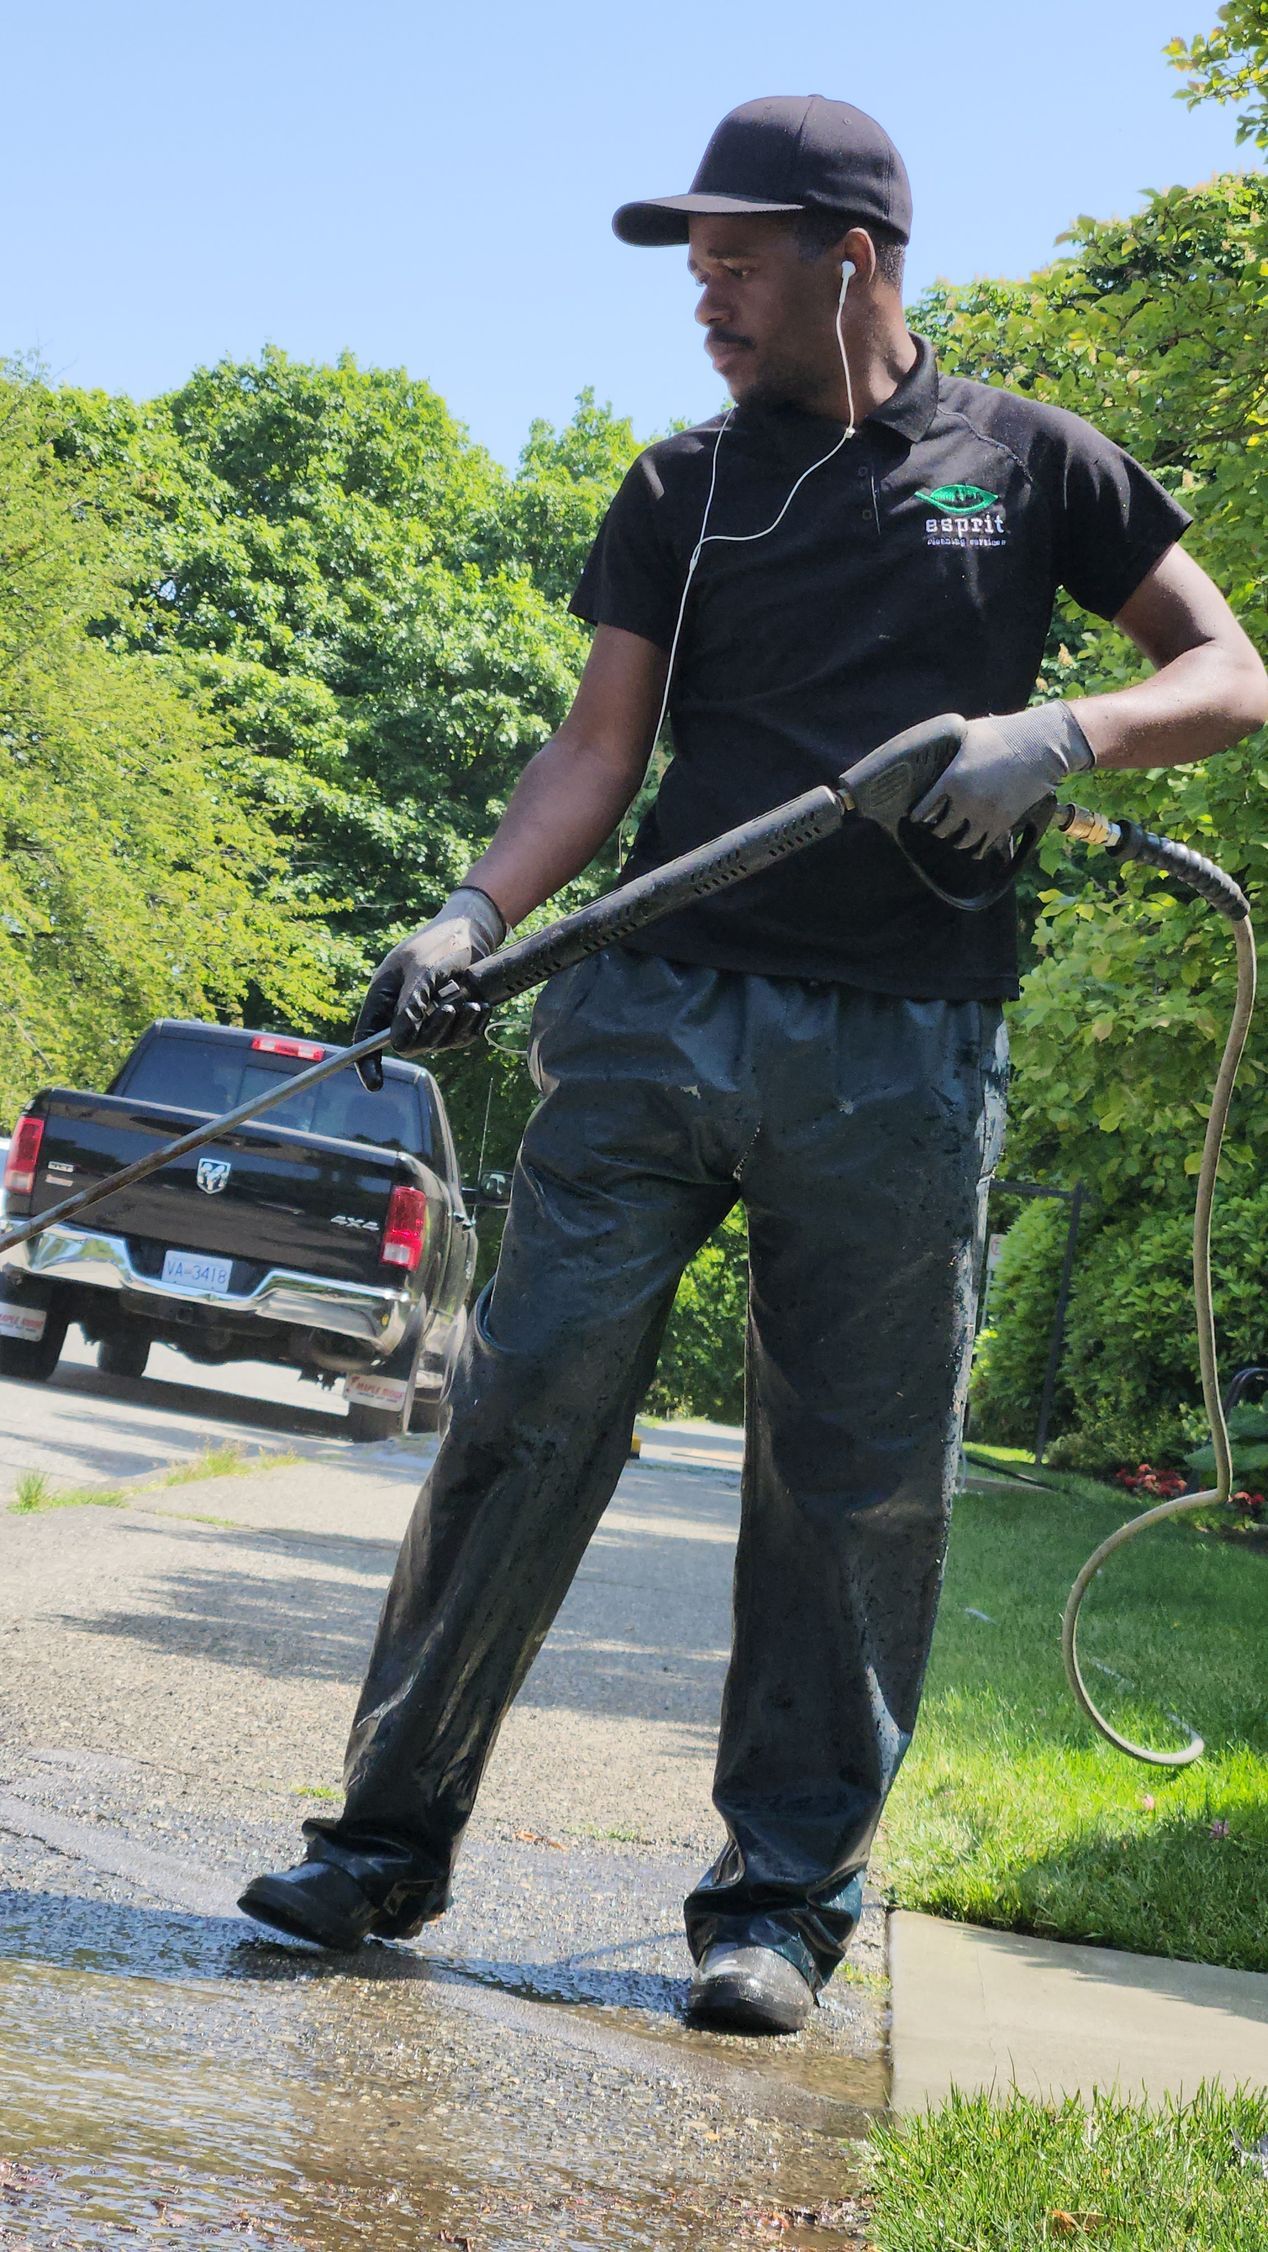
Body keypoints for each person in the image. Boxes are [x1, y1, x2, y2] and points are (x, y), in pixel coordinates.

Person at [240, 96, 1268, 2034]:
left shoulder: (1030, 469)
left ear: (849, 256)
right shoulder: (680, 487)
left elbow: (1228, 673)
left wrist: (1058, 736)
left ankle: (779, 1902)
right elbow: (594, 755)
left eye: (732, 257)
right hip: (649, 1007)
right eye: (690, 262)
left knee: (851, 1482)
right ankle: (381, 1842)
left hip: (902, 1050)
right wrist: (469, 915)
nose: (700, 295)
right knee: (521, 1405)